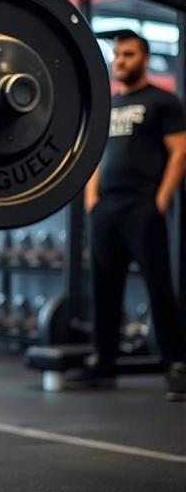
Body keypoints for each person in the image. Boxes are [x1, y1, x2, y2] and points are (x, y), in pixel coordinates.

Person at [76, 30, 186, 400]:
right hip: (107, 207)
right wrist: (92, 197)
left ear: (145, 58)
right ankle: (103, 361)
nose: (120, 61)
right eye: (117, 55)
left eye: (128, 54)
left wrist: (161, 199)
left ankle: (175, 364)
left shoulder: (164, 102)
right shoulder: (107, 105)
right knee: (104, 287)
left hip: (143, 206)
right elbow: (94, 156)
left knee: (159, 286)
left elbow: (180, 152)